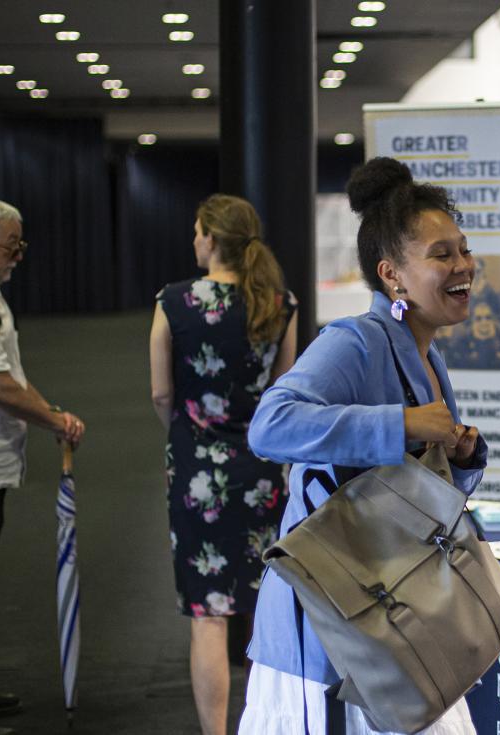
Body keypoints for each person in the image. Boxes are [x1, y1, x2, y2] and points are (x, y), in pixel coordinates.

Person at [238, 158, 485, 735]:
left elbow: (404, 488)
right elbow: (270, 426)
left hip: (396, 613)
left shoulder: (427, 354)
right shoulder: (355, 341)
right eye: (442, 254)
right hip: (333, 632)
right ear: (392, 276)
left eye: (464, 249)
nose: (464, 265)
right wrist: (401, 423)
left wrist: (462, 457)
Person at [148, 194, 298, 735]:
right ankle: (269, 724)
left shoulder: (174, 301)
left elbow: (162, 394)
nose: (193, 241)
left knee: (208, 618)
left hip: (196, 472)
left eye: (196, 231)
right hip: (262, 472)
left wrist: (188, 439)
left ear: (211, 238)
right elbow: (284, 396)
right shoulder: (281, 303)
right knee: (267, 611)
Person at [0, 198, 86, 734]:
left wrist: (52, 413)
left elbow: (10, 375)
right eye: (11, 246)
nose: (17, 256)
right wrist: (53, 420)